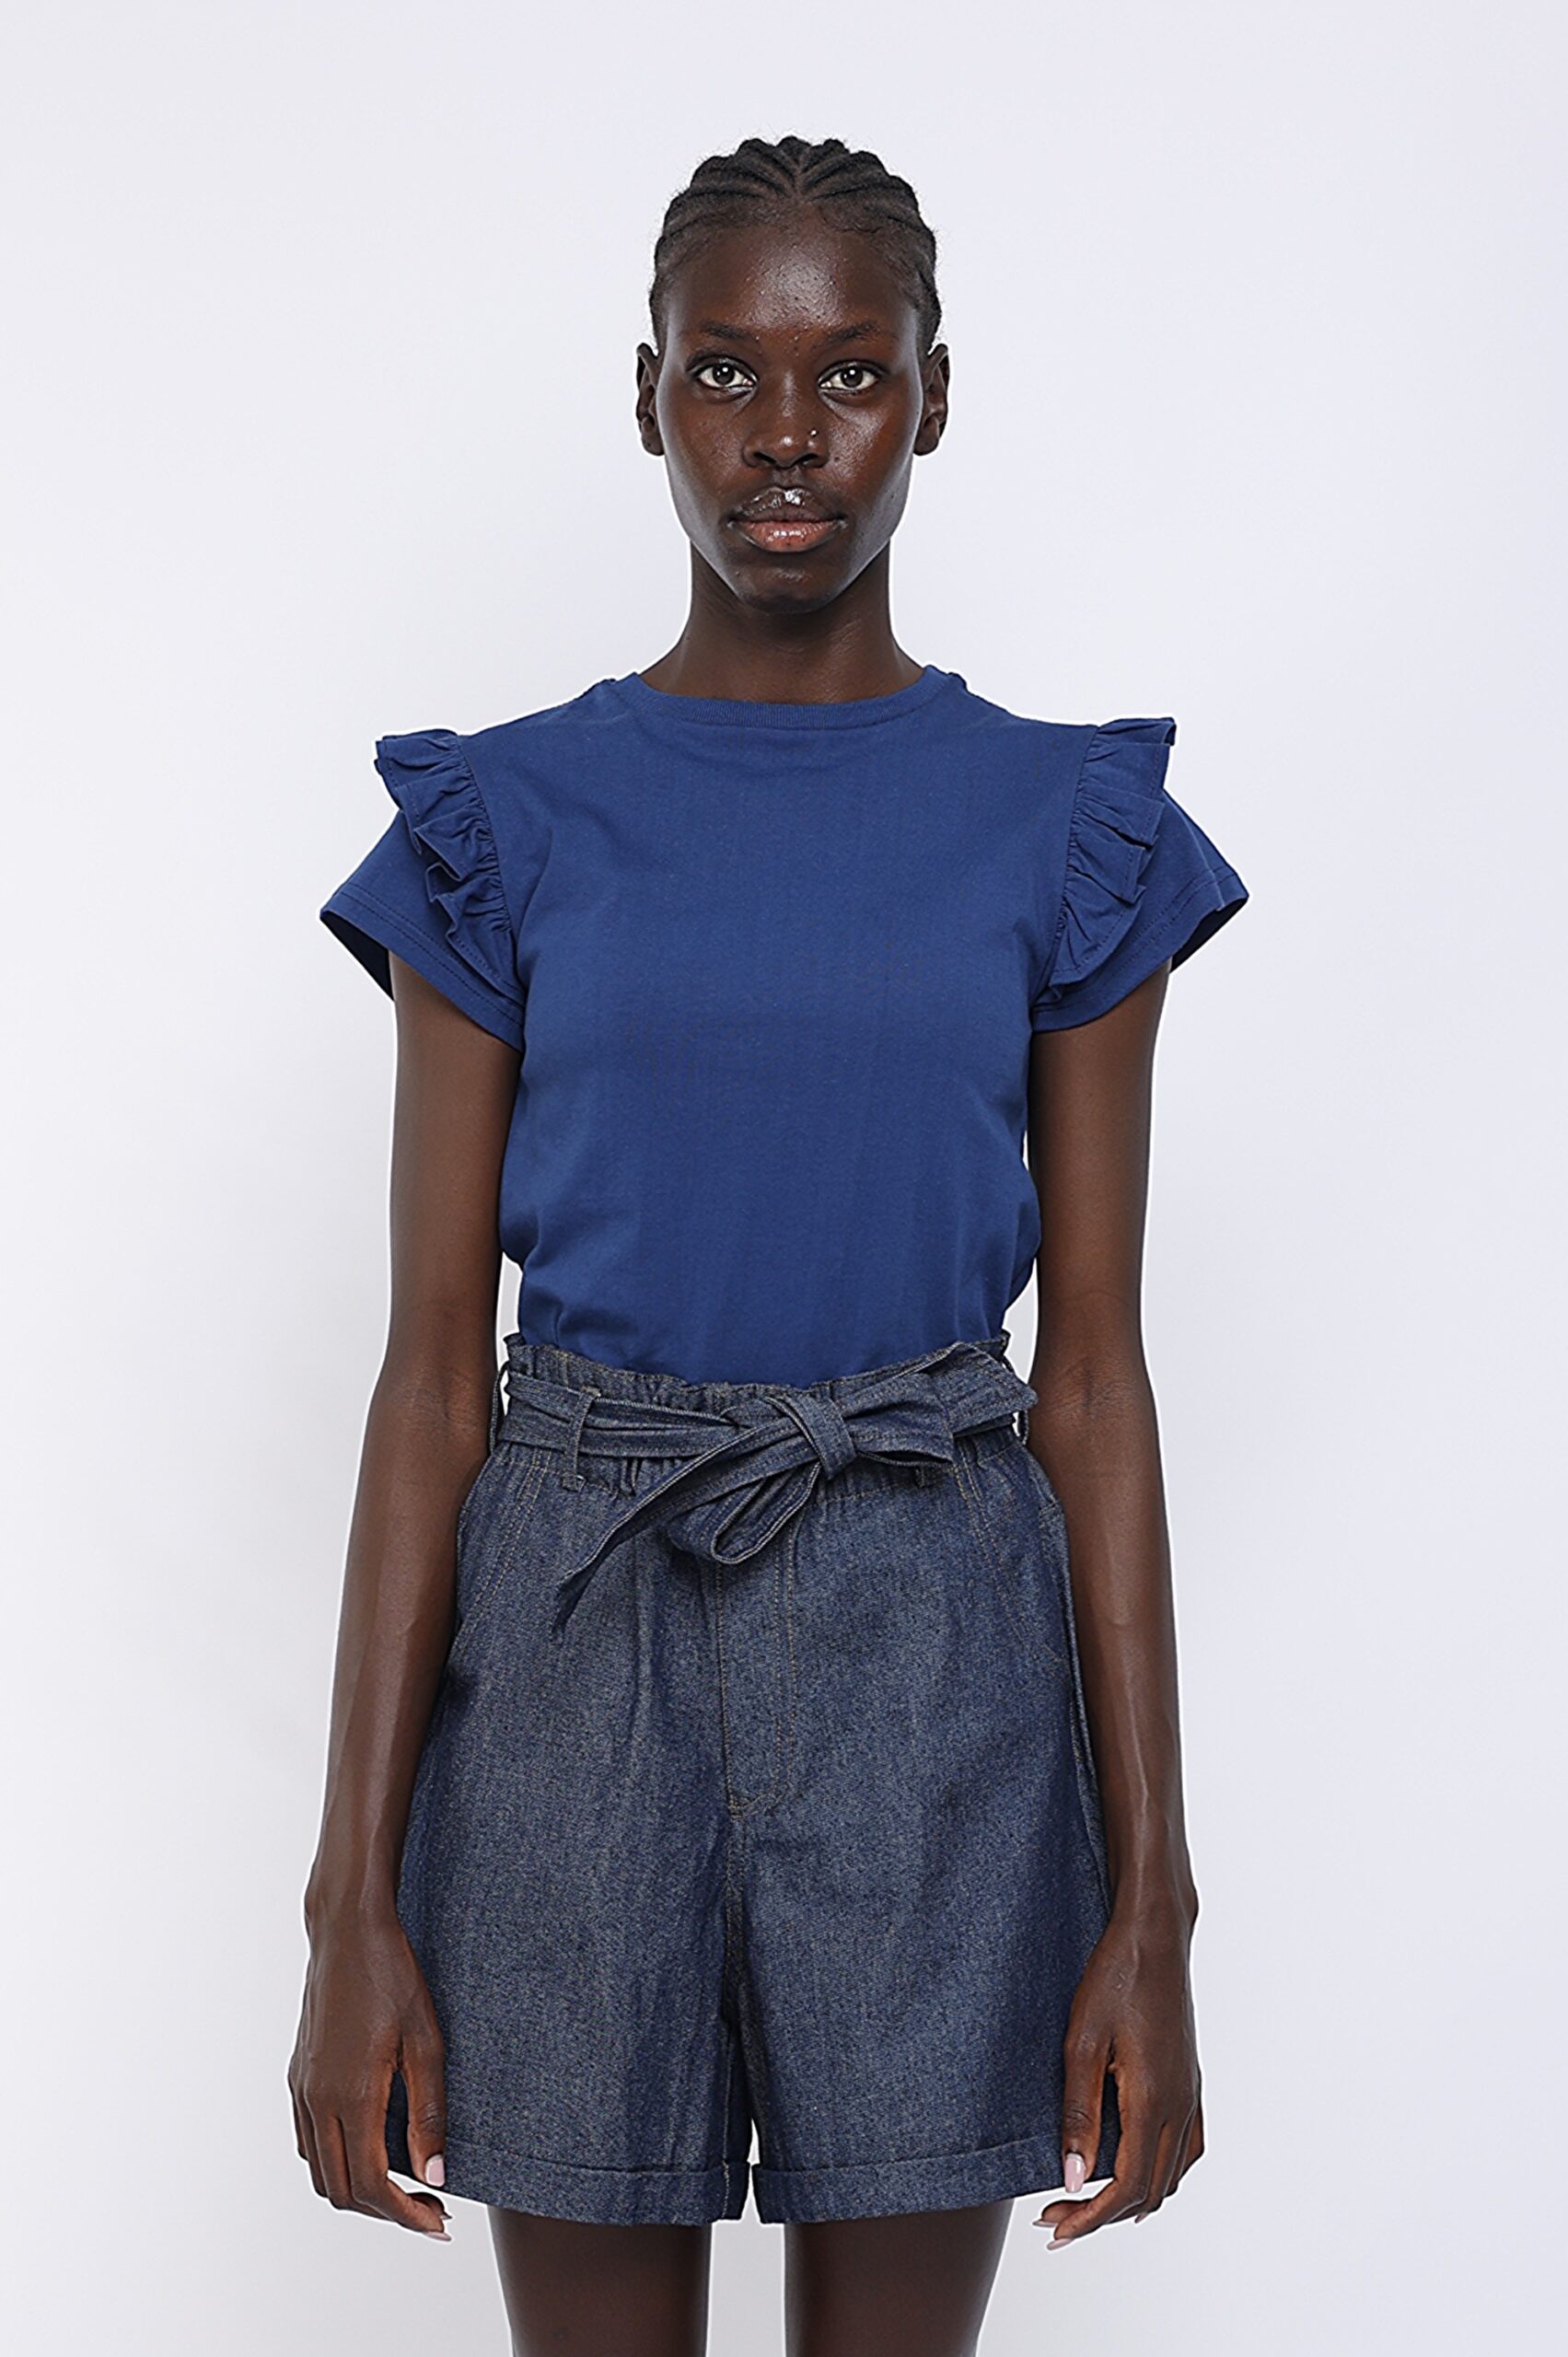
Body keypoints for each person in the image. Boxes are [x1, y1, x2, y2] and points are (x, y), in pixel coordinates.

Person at [290, 132, 1249, 2357]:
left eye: (851, 373)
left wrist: (1157, 1906)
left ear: (936, 394)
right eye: (726, 370)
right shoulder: (502, 825)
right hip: (575, 1625)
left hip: (937, 1632)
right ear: (645, 393)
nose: (787, 436)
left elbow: (1094, 1378)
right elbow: (431, 1377)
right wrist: (350, 1900)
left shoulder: (1068, 830)